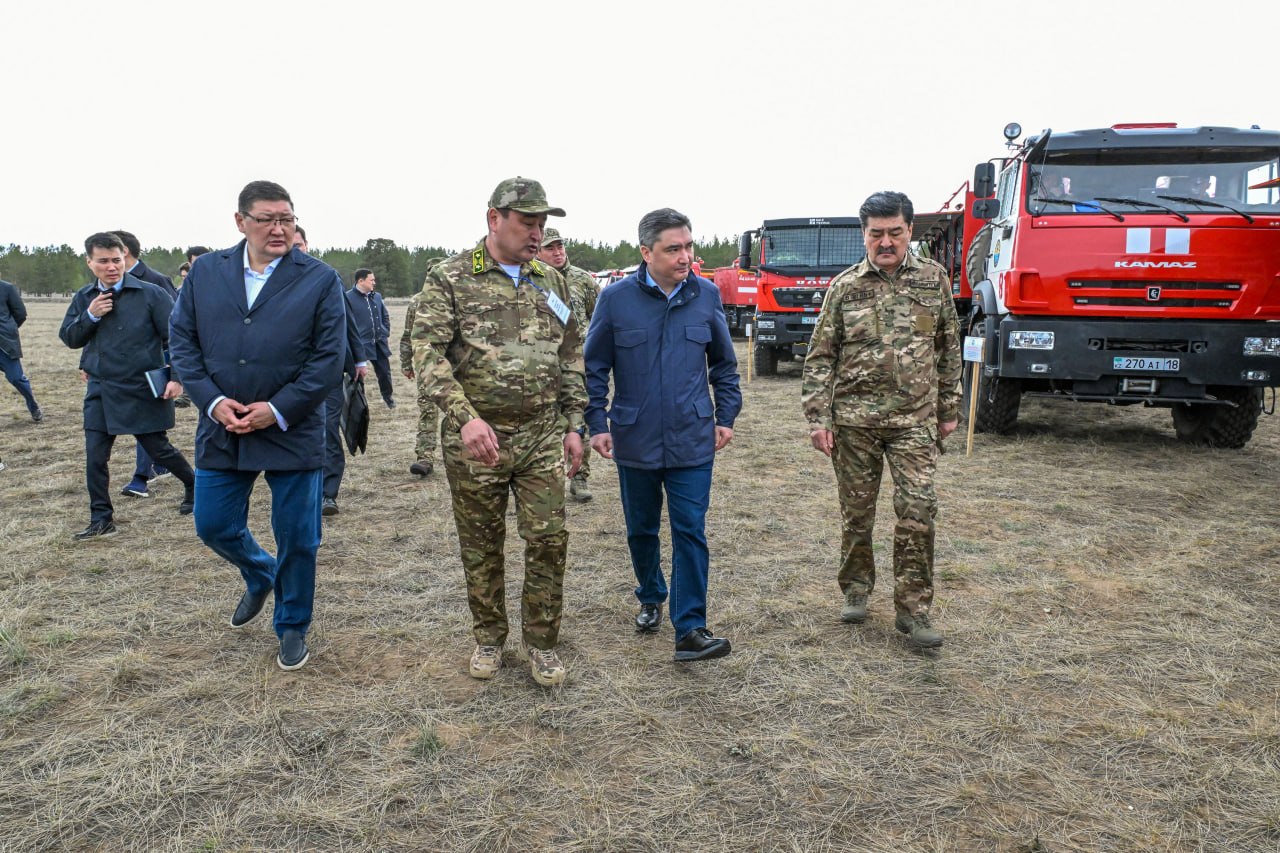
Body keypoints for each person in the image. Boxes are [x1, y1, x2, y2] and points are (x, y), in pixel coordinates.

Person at [410, 176, 584, 687]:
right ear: (494, 219)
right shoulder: (450, 277)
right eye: (527, 222)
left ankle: (543, 644)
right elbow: (427, 354)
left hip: (540, 437)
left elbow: (570, 354)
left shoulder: (550, 281)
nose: (537, 233)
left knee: (549, 540)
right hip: (477, 442)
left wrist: (576, 422)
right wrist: (466, 420)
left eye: (542, 224)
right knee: (482, 544)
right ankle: (489, 637)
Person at [169, 180, 346, 671]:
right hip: (223, 425)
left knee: (298, 536)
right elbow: (182, 340)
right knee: (213, 524)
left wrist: (280, 408)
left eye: (286, 218)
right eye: (267, 218)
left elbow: (329, 357)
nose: (279, 228)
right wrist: (211, 400)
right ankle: (261, 572)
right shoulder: (206, 272)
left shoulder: (319, 278)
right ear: (240, 221)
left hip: (293, 428)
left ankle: (292, 625)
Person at [801, 191, 963, 649]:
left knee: (918, 512)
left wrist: (949, 410)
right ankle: (855, 587)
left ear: (910, 231)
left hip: (915, 422)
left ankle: (913, 612)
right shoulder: (845, 287)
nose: (886, 242)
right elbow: (819, 359)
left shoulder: (933, 281)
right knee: (857, 515)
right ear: (864, 235)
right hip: (855, 425)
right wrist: (819, 418)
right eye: (877, 234)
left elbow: (950, 348)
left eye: (895, 232)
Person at [584, 208, 741, 662]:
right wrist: (597, 423)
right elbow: (595, 368)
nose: (685, 256)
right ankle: (651, 595)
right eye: (674, 248)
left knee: (690, 529)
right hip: (634, 437)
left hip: (693, 436)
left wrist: (725, 416)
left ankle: (690, 628)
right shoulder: (615, 300)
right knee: (642, 529)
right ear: (646, 252)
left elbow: (724, 366)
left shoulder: (706, 295)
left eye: (689, 246)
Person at [59, 232, 196, 541]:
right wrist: (90, 316)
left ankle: (193, 484)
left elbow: (177, 338)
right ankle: (101, 518)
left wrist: (176, 378)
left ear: (125, 258)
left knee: (159, 450)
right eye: (103, 261)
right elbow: (70, 338)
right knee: (95, 458)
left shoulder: (150, 294)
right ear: (90, 262)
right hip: (101, 390)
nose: (111, 267)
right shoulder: (84, 298)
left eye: (116, 260)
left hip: (140, 387)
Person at [294, 228, 368, 516]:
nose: (295, 249)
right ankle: (301, 487)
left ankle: (328, 493)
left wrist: (358, 360)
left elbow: (346, 319)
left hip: (325, 370)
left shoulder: (324, 276)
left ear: (307, 245)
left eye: (299, 245)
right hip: (285, 372)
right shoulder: (268, 280)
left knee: (326, 430)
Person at [113, 230, 179, 498]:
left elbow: (177, 327)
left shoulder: (156, 281)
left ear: (124, 251)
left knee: (145, 422)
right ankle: (161, 463)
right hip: (121, 368)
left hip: (155, 364)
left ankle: (140, 477)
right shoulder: (108, 284)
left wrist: (175, 370)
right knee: (147, 426)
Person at [538, 227, 599, 502]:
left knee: (579, 421)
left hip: (577, 364)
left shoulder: (582, 281)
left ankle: (580, 477)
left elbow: (600, 317)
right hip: (542, 366)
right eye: (550, 247)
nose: (558, 251)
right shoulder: (532, 281)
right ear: (537, 252)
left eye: (560, 246)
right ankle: (543, 479)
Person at [400, 257, 446, 477]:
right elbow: (408, 335)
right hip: (427, 367)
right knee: (428, 412)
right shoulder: (417, 301)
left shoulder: (459, 298)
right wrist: (405, 362)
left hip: (456, 368)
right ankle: (425, 458)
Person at [346, 269, 395, 409]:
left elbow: (384, 316)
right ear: (360, 281)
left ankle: (388, 397)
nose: (374, 282)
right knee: (358, 375)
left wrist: (385, 331)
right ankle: (359, 402)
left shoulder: (377, 296)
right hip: (360, 344)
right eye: (371, 280)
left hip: (379, 342)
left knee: (385, 372)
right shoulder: (348, 298)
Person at [0, 278, 44, 424]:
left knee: (16, 378)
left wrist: (9, 330)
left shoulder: (7, 288)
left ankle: (33, 406)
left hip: (4, 345)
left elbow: (20, 314)